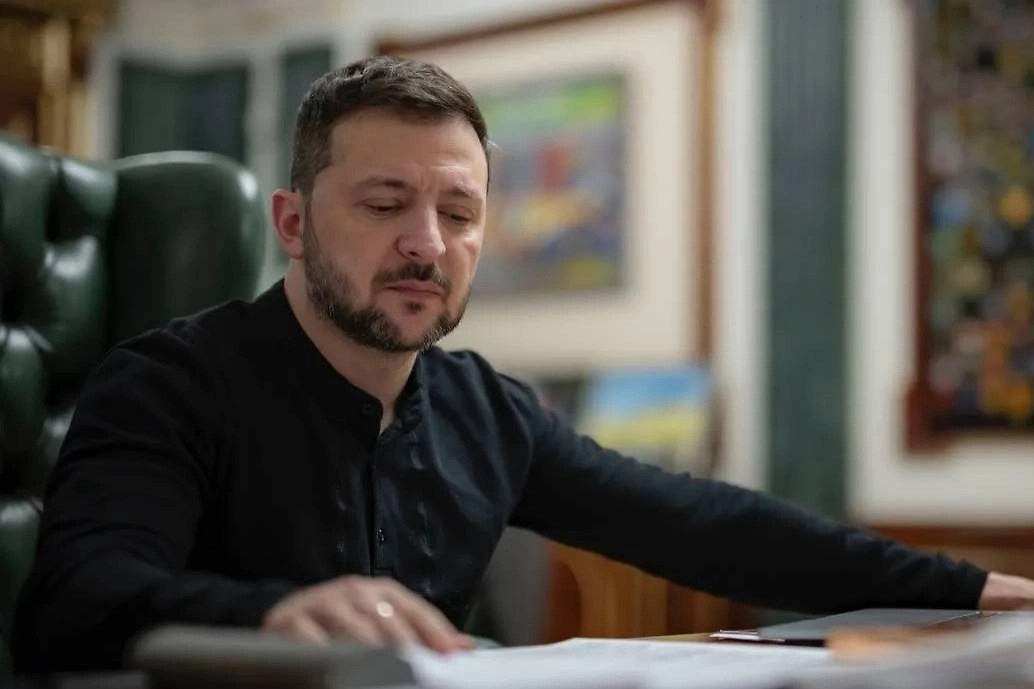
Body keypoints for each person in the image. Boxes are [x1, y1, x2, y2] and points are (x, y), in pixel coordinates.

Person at [14, 56, 1034, 672]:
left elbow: (702, 523)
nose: (426, 242)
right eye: (384, 203)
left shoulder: (485, 409)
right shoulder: (166, 384)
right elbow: (76, 600)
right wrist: (268, 617)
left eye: (458, 213)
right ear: (292, 222)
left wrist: (970, 585)